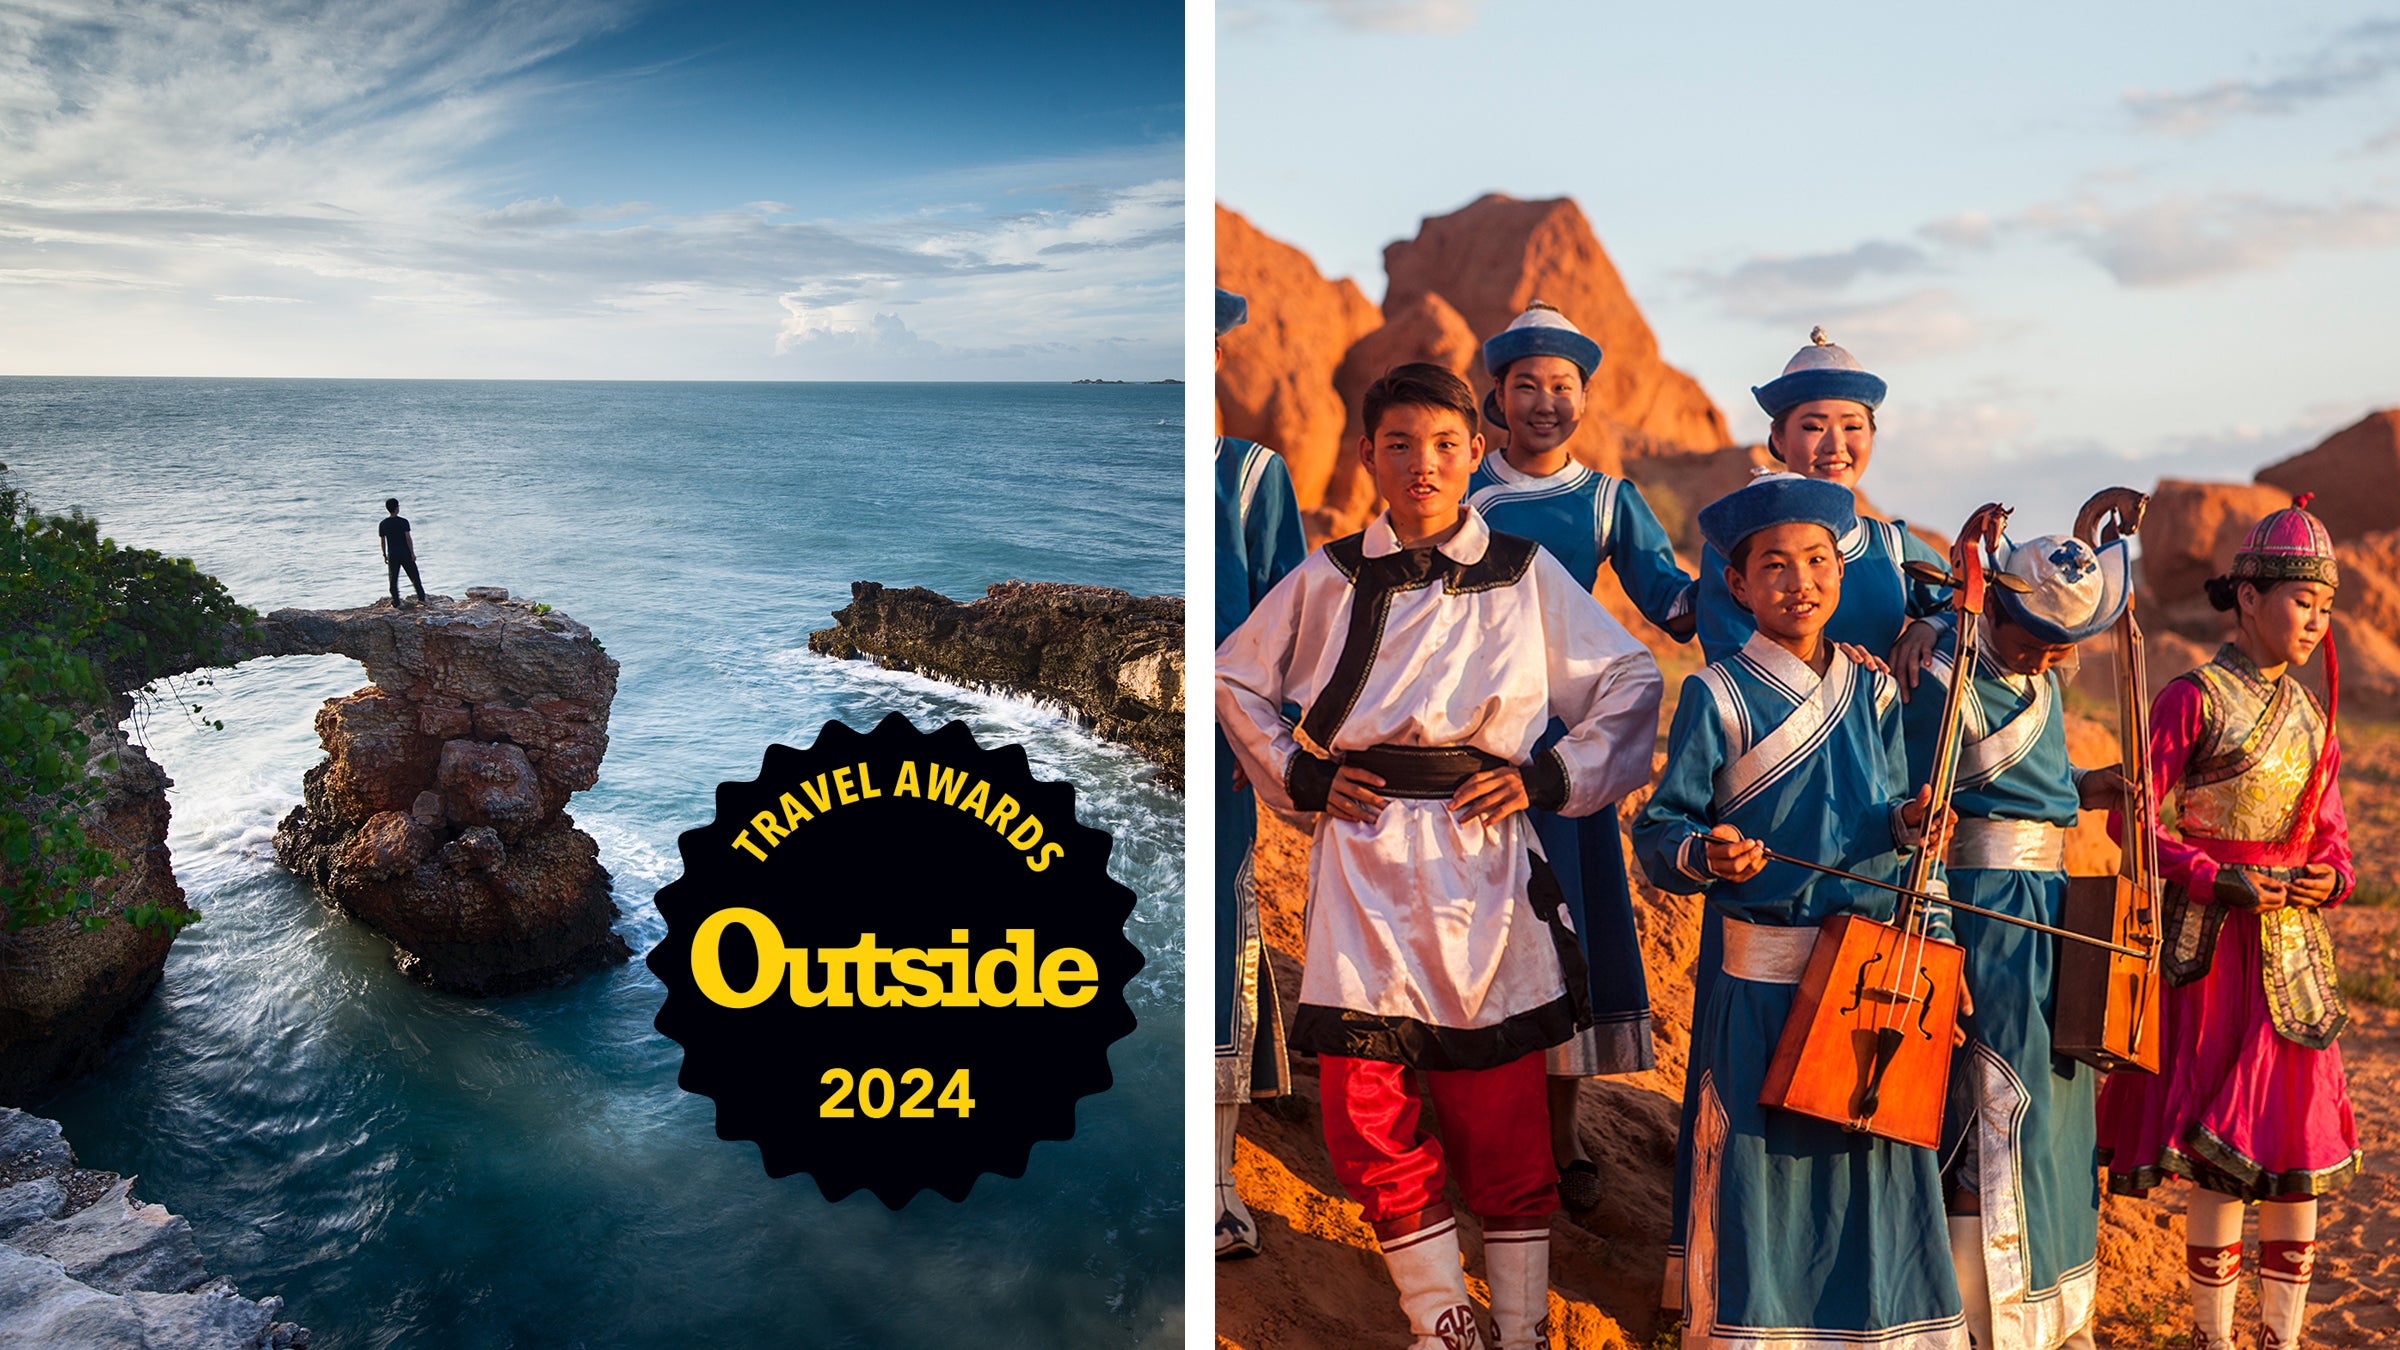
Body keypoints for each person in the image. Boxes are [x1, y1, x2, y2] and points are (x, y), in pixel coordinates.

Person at [1217, 363, 1662, 1350]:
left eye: (1446, 445)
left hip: (1484, 857)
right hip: (1367, 858)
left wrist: (1551, 777)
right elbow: (1236, 680)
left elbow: (1629, 678)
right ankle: (1443, 1325)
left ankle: (1521, 1330)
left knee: (1496, 1104)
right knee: (1362, 1104)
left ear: (1476, 450)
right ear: (1369, 454)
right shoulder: (1328, 576)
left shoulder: (1523, 573)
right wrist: (1303, 774)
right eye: (1401, 445)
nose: (1425, 465)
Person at [1632, 471, 1962, 1350]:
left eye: (1817, 560)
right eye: (1772, 566)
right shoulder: (1716, 694)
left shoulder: (1877, 690)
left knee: (1869, 1164)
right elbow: (1662, 826)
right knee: (1761, 1173)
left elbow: (1891, 817)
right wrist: (1705, 852)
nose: (1800, 581)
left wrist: (1909, 821)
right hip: (1763, 982)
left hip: (1867, 978)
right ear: (1735, 586)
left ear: (1841, 574)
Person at [2094, 496, 2357, 1350]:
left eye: (2324, 605)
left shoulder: (2317, 718)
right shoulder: (2191, 699)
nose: (2315, 621)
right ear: (2248, 597)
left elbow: (2332, 833)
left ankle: (2280, 1339)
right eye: (2299, 601)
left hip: (2294, 958)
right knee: (2221, 1150)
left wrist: (2334, 877)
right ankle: (2212, 1337)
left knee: (2296, 1154)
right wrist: (2215, 877)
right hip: (2212, 954)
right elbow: (2137, 823)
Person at [1465, 301, 1693, 1211]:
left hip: (1567, 753)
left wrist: (1748, 588)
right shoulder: (1465, 491)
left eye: (1563, 387)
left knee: (1565, 944)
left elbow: (1667, 599)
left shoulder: (1608, 501)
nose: (1546, 402)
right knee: (1487, 941)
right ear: (1499, 398)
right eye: (1528, 386)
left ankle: (1561, 1146)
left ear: (1584, 400)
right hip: (1477, 744)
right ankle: (1485, 1137)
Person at [1907, 527, 2135, 1350]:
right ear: (1995, 601)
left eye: (2060, 646)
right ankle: (1980, 1325)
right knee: (1990, 1111)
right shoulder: (1944, 676)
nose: (2044, 659)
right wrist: (1937, 939)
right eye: (2032, 640)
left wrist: (2085, 787)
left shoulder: (2036, 673)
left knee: (2052, 1117)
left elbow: (2016, 786)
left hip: (2048, 906)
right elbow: (1925, 818)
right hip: (1980, 912)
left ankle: (2045, 1314)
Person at [1211, 287, 1309, 1261]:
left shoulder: (1248, 476)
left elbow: (1293, 623)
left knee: (1216, 945)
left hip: (1222, 757)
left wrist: (1267, 742)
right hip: (1129, 746)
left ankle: (1217, 1184)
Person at [379, 497, 428, 606]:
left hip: (392, 554)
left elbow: (383, 542)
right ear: (397, 508)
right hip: (405, 553)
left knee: (393, 579)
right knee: (414, 576)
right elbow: (408, 538)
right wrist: (412, 553)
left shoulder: (383, 524)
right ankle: (421, 598)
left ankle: (396, 601)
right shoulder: (403, 522)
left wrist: (384, 555)